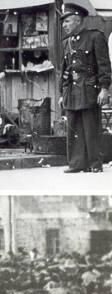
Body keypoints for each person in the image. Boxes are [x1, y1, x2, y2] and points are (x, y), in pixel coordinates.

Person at [59, 2, 111, 173]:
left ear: (78, 20)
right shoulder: (67, 43)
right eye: (63, 22)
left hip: (89, 89)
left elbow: (104, 66)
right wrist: (62, 92)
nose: (64, 25)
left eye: (67, 22)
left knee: (90, 127)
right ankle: (76, 163)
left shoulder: (95, 37)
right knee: (73, 126)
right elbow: (65, 70)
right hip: (71, 91)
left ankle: (94, 164)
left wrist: (104, 89)